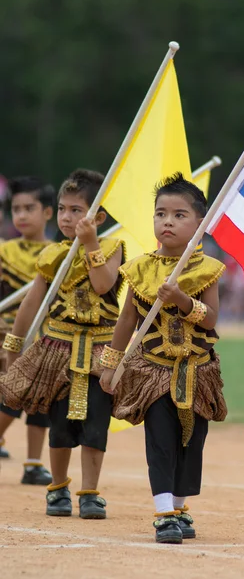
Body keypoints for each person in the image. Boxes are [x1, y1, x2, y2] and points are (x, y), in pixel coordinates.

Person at [100, 173, 227, 544]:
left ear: (200, 224)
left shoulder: (208, 269)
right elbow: (127, 320)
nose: (167, 221)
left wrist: (183, 301)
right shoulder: (139, 269)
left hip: (197, 370)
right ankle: (163, 512)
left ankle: (181, 507)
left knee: (192, 440)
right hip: (153, 370)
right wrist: (110, 363)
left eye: (179, 215)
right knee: (160, 439)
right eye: (161, 214)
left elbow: (213, 318)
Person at [0, 169, 125, 519]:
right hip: (57, 351)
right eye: (63, 209)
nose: (68, 217)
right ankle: (57, 488)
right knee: (59, 424)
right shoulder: (52, 254)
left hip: (99, 352)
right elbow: (32, 303)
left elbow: (102, 286)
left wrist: (89, 244)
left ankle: (89, 492)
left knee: (95, 425)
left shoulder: (113, 248)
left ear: (97, 217)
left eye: (76, 210)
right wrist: (14, 343)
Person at [0, 176, 54, 487]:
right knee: (11, 397)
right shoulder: (5, 251)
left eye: (29, 208)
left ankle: (33, 463)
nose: (21, 215)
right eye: (16, 209)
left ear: (47, 212)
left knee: (41, 401)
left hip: (45, 339)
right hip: (6, 336)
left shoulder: (59, 253)